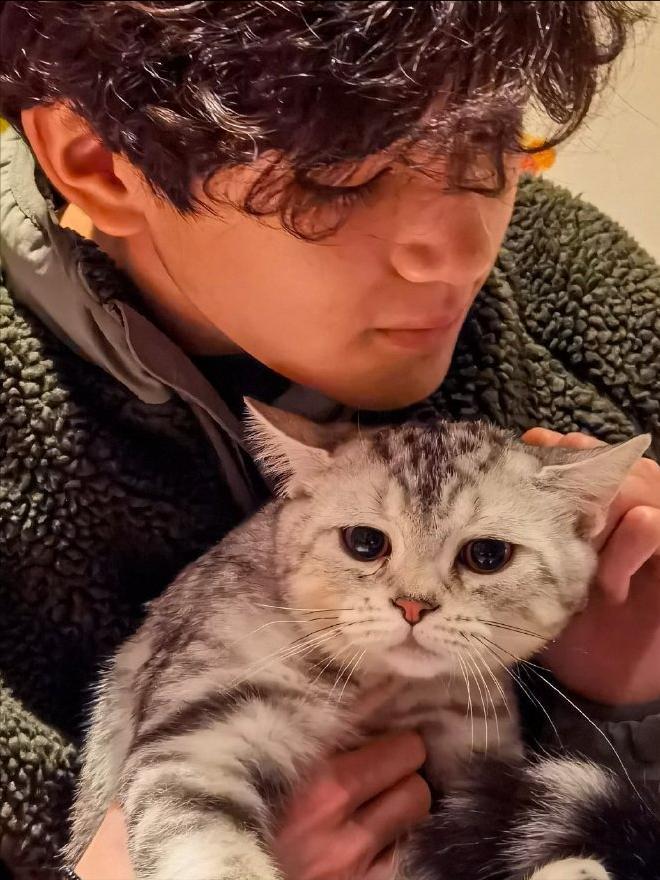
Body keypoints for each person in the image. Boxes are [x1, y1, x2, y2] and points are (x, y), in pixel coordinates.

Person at [0, 1, 659, 877]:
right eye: (341, 177)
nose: (463, 252)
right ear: (99, 165)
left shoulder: (593, 319)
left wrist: (624, 700)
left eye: (493, 146)